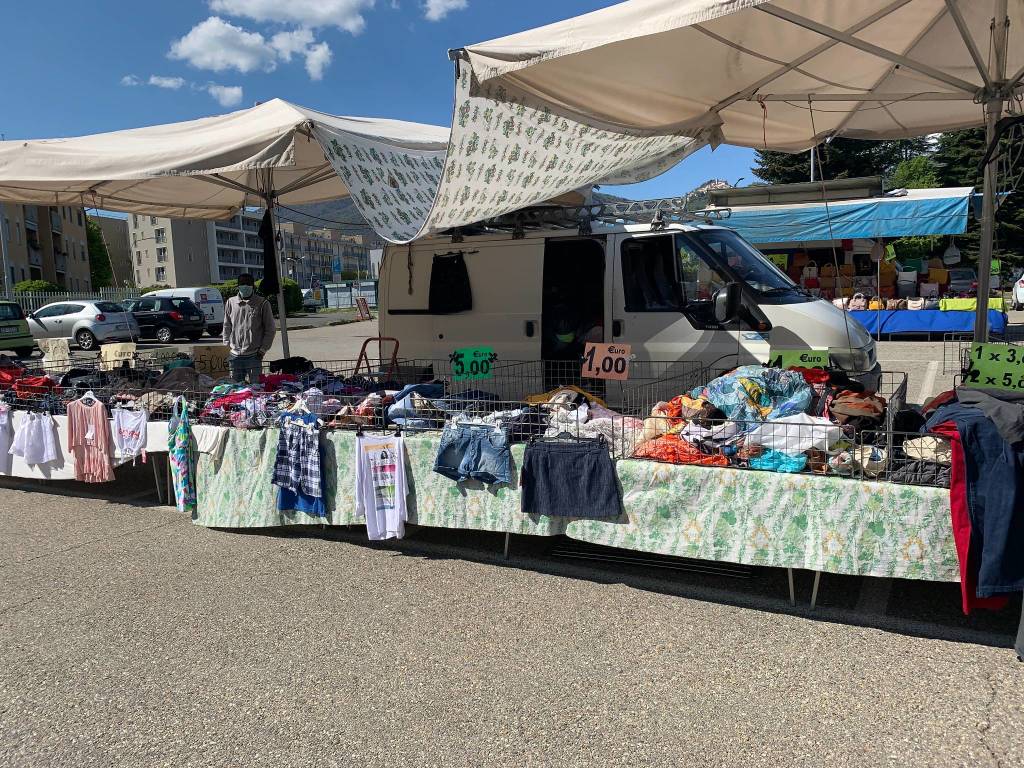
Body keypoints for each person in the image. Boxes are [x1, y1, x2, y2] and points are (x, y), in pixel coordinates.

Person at [222, 273, 276, 385]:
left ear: (253, 286)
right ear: (238, 286)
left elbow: (270, 329)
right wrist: (226, 343)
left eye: (248, 284)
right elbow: (227, 325)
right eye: (242, 284)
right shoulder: (230, 302)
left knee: (256, 389)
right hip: (235, 356)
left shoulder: (262, 303)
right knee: (235, 390)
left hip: (254, 355)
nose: (245, 286)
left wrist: (263, 349)